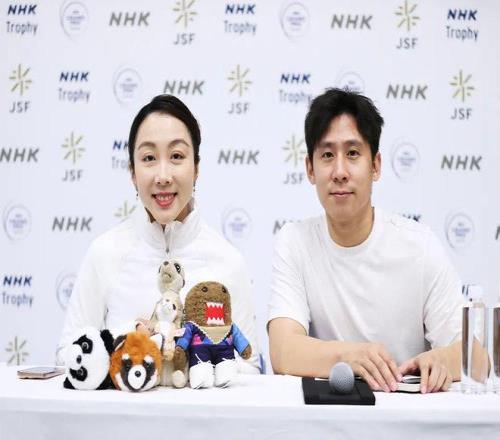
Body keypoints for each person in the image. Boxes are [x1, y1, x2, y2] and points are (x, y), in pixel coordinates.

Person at [267, 88, 463, 393]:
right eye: (327, 155)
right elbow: (282, 351)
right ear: (310, 169)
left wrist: (440, 360)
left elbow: (476, 355)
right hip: (327, 416)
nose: (340, 172)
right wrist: (349, 356)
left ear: (376, 166)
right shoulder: (295, 242)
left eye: (353, 153)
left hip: (407, 414)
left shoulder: (419, 246)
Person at [57, 94, 260, 373]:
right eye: (149, 158)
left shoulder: (228, 261)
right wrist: (133, 337)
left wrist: (195, 358)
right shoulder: (104, 252)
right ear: (132, 172)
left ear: (196, 168)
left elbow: (250, 368)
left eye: (176, 156)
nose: (163, 176)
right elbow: (67, 357)